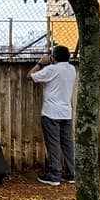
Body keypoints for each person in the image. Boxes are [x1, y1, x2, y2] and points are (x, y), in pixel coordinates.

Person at [27, 44, 77, 186]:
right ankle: (71, 173)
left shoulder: (50, 69)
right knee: (67, 143)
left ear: (53, 57)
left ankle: (55, 174)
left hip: (51, 113)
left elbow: (29, 76)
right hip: (66, 112)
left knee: (53, 143)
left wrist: (40, 63)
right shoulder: (72, 69)